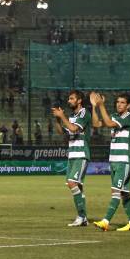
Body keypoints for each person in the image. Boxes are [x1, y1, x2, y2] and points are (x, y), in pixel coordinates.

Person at [90, 92, 130, 232]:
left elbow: (109, 123)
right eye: (118, 101)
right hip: (114, 160)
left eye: (123, 102)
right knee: (124, 193)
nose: (119, 104)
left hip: (124, 160)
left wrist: (101, 105)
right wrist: (95, 107)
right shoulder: (115, 116)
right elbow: (96, 123)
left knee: (116, 191)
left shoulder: (129, 118)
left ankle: (105, 222)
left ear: (128, 106)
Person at [51, 90, 90, 227]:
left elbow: (73, 129)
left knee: (72, 183)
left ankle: (81, 216)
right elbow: (62, 132)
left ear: (79, 100)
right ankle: (83, 218)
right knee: (76, 185)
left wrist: (62, 116)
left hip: (81, 154)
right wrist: (57, 118)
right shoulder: (72, 115)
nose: (69, 101)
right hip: (72, 154)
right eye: (69, 98)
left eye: (72, 98)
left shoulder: (84, 113)